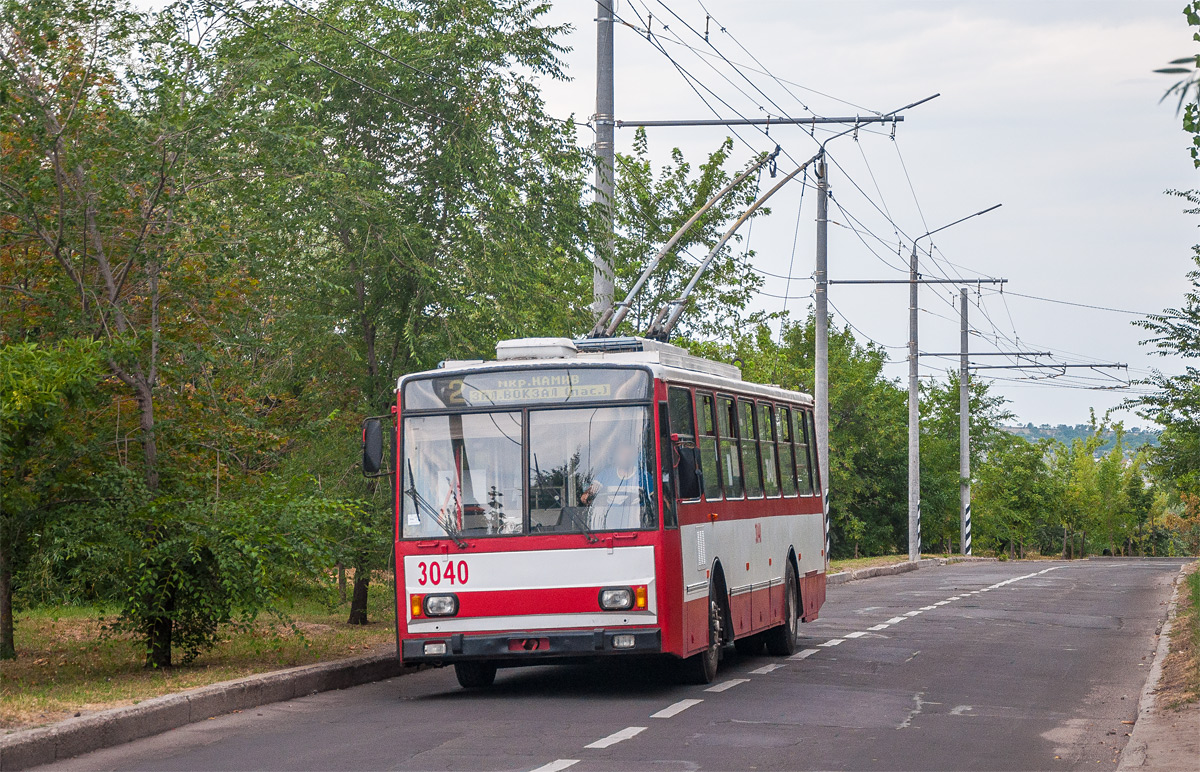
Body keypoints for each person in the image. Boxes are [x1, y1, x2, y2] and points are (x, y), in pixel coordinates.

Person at [581, 443, 654, 529]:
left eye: (629, 454)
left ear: (634, 456)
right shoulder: (606, 475)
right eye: (622, 454)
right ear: (617, 456)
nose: (626, 458)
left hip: (637, 526)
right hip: (606, 527)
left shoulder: (644, 476)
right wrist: (587, 495)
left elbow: (655, 501)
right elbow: (590, 492)